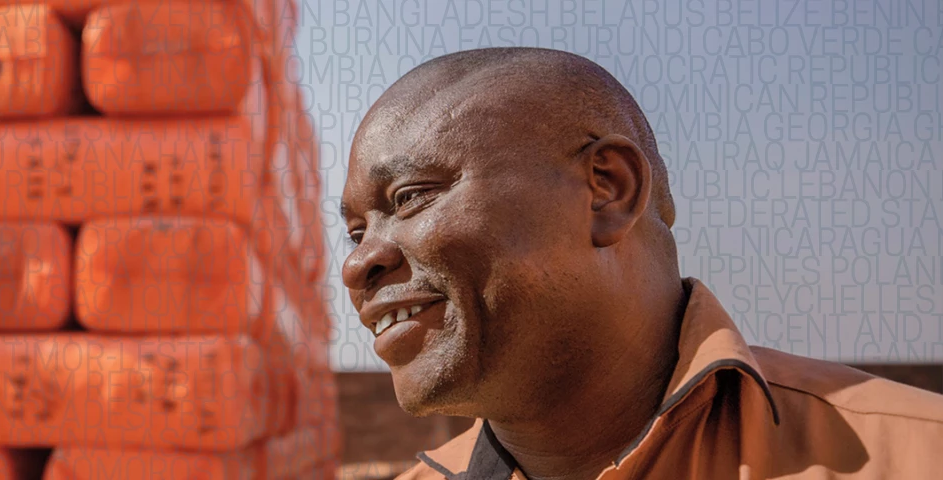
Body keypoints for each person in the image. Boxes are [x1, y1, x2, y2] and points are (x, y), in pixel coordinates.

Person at [339, 47, 943, 480]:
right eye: (355, 231)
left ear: (609, 189)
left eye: (412, 196)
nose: (358, 263)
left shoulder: (914, 454)